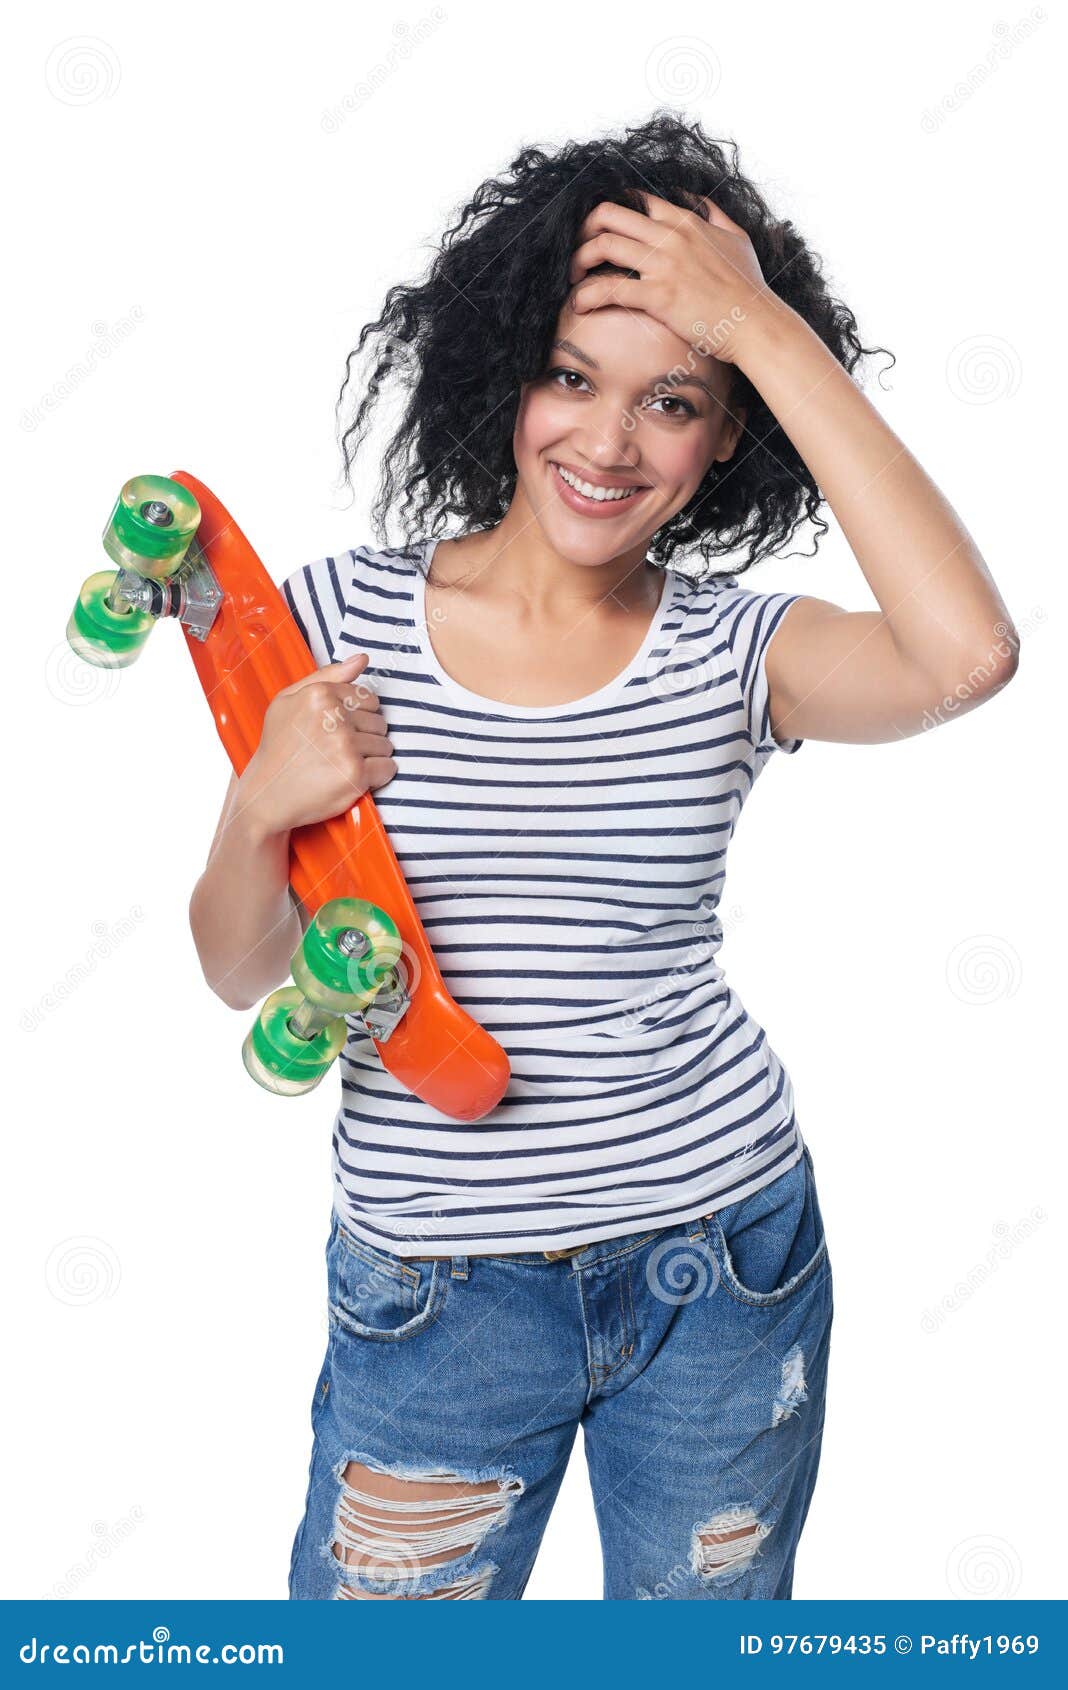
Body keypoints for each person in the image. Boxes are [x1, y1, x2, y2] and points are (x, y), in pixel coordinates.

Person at [189, 114, 1018, 1600]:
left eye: (676, 399)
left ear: (731, 432)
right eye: (571, 376)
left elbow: (967, 653)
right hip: (438, 1298)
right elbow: (242, 964)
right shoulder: (331, 619)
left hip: (723, 1263)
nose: (608, 441)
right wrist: (262, 803)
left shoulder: (736, 648)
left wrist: (755, 320)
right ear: (502, 368)